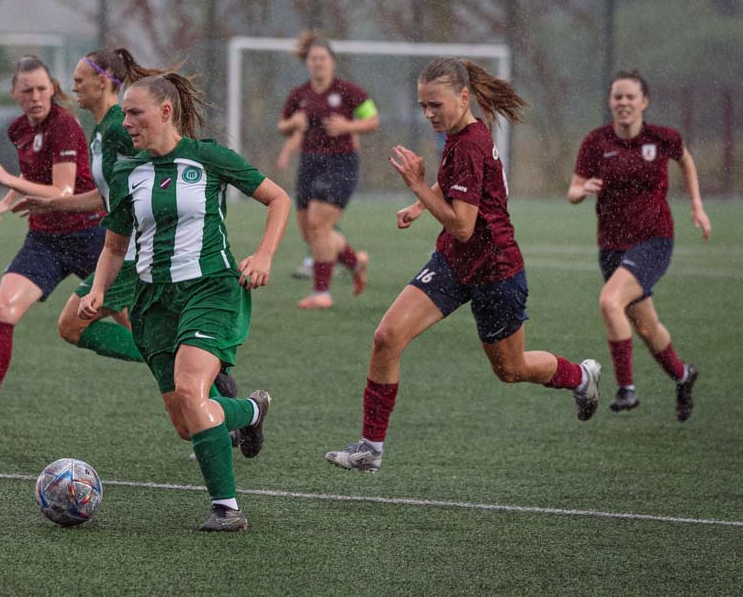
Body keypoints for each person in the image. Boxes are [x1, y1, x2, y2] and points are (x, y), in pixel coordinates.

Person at [325, 57, 601, 473]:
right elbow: (456, 186)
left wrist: (417, 186)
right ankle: (370, 447)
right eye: (423, 105)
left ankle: (581, 376)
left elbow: (463, 225)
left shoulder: (470, 144)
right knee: (387, 337)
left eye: (435, 104)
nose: (428, 113)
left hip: (496, 271)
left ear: (463, 97)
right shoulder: (461, 134)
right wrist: (422, 204)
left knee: (512, 369)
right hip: (454, 262)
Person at [78, 73, 291, 531]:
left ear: (165, 112)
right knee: (186, 422)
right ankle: (251, 411)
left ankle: (227, 509)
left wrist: (264, 255)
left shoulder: (208, 157)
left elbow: (278, 199)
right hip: (152, 301)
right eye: (124, 113)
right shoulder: (126, 172)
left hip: (210, 288)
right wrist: (97, 291)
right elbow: (115, 246)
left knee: (193, 391)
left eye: (135, 113)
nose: (126, 122)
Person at [12, 48, 239, 402]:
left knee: (73, 325)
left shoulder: (121, 127)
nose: (73, 87)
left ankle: (209, 389)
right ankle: (213, 390)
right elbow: (109, 198)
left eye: (79, 80)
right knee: (143, 334)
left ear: (103, 82)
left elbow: (157, 175)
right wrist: (51, 204)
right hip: (129, 250)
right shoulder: (103, 130)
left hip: (136, 252)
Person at [0, 55, 104, 433]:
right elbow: (34, 177)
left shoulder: (64, 125)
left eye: (43, 88)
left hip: (90, 235)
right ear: (14, 93)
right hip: (45, 239)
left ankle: (215, 396)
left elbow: (61, 190)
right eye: (27, 90)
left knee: (136, 322)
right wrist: (6, 200)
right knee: (3, 307)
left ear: (52, 89)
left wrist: (7, 179)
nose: (36, 96)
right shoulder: (18, 129)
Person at [568, 69, 710, 420]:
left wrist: (697, 205)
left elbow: (686, 160)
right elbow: (573, 190)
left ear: (644, 102)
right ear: (610, 102)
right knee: (646, 327)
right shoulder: (596, 142)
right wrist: (583, 191)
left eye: (630, 96)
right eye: (617, 96)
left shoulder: (662, 138)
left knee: (609, 301)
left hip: (653, 240)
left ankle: (626, 389)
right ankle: (683, 376)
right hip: (611, 247)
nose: (624, 103)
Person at [276, 30, 379, 309]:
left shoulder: (349, 91)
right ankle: (354, 262)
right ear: (307, 63)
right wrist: (293, 123)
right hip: (309, 163)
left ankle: (321, 293)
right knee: (310, 233)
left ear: (332, 62)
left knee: (319, 225)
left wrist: (348, 126)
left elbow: (372, 119)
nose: (318, 63)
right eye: (313, 58)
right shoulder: (299, 95)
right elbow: (282, 125)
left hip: (341, 163)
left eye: (323, 58)